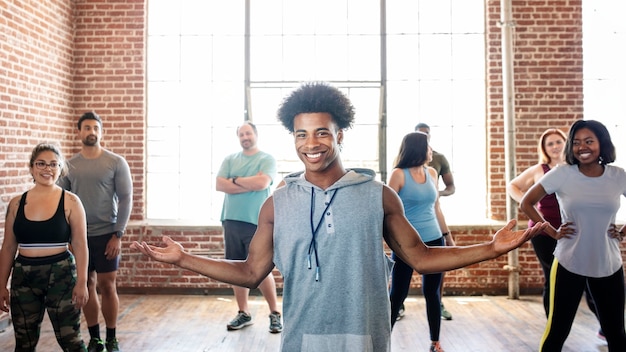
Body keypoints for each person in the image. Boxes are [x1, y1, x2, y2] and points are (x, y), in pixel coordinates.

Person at [131, 82, 547, 352]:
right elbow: (250, 272)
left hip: (366, 338)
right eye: (300, 134)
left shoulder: (378, 195)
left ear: (340, 134)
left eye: (321, 132)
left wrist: (491, 249)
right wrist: (184, 259)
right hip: (302, 339)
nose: (310, 144)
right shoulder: (277, 203)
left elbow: (420, 257)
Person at [520, 120, 626, 351]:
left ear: (602, 143)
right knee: (557, 331)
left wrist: (623, 231)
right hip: (570, 262)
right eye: (576, 142)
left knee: (616, 334)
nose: (582, 147)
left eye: (589, 141)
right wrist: (551, 230)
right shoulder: (562, 174)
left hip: (608, 264)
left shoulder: (618, 176)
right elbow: (526, 202)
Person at [507, 128, 602, 335]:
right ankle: (553, 325)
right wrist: (524, 202)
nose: (555, 147)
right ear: (544, 149)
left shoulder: (575, 168)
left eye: (558, 142)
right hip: (544, 232)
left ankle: (605, 325)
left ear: (565, 144)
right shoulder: (539, 170)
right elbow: (513, 186)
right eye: (550, 144)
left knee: (587, 276)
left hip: (574, 231)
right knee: (553, 276)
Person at [0, 143, 89, 351]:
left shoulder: (71, 202)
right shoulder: (16, 204)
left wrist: (82, 282)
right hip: (24, 277)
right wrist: (1, 284)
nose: (47, 169)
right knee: (24, 343)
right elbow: (8, 247)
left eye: (53, 164)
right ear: (31, 167)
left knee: (71, 341)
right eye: (41, 163)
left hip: (62, 275)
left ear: (61, 169)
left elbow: (80, 245)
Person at [58, 112, 133, 352]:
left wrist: (118, 234)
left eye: (95, 128)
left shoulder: (115, 162)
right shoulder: (69, 166)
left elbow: (125, 198)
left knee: (107, 285)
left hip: (107, 234)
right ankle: (95, 339)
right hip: (79, 237)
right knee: (87, 284)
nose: (91, 131)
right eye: (87, 127)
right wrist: (68, 237)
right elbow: (61, 202)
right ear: (79, 132)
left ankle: (111, 337)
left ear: (101, 132)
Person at [388, 131, 455, 352]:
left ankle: (435, 342)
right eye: (428, 147)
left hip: (435, 239)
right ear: (418, 148)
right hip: (406, 243)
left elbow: (436, 208)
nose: (431, 151)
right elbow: (387, 211)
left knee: (432, 293)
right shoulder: (398, 175)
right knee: (398, 293)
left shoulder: (433, 173)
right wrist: (391, 241)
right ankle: (381, 341)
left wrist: (447, 236)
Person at [216, 121, 282, 333]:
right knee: (236, 268)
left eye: (248, 133)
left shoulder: (266, 159)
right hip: (231, 220)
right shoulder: (230, 159)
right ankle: (243, 313)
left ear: (255, 134)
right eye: (241, 134)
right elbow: (220, 184)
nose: (245, 136)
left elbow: (262, 184)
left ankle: (274, 313)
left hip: (257, 222)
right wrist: (247, 182)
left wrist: (234, 181)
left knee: (261, 268)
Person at [414, 122, 455, 321]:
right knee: (402, 267)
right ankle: (399, 303)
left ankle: (438, 302)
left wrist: (433, 194)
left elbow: (451, 187)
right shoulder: (403, 159)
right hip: (411, 220)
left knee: (438, 265)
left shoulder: (438, 159)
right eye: (420, 134)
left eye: (427, 134)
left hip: (433, 215)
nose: (424, 137)